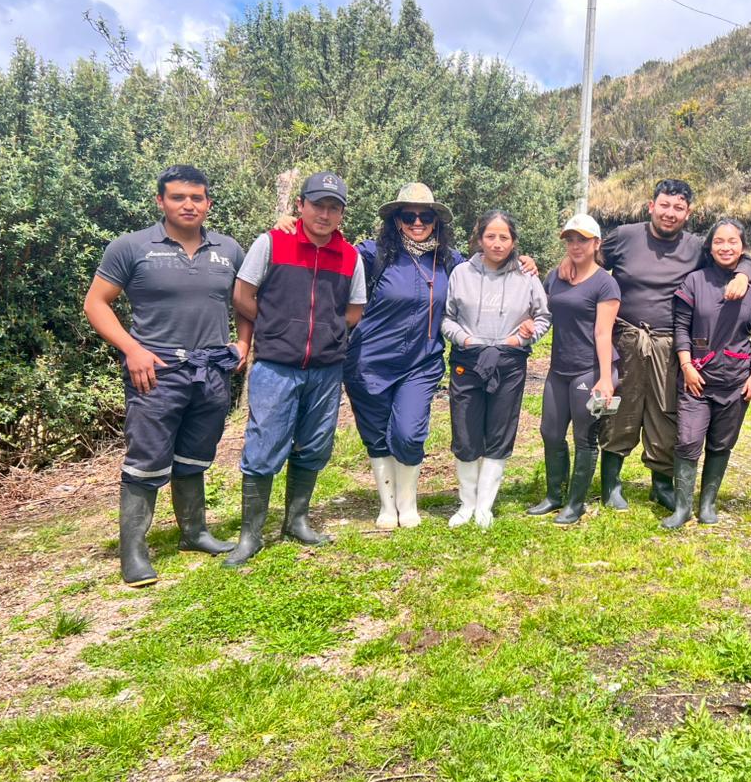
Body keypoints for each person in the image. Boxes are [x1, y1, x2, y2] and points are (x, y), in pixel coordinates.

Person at [83, 165, 251, 587]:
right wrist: (132, 349)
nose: (188, 205)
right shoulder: (132, 247)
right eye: (178, 197)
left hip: (212, 371)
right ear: (161, 201)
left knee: (195, 455)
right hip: (155, 372)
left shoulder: (228, 250)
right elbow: (96, 304)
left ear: (209, 203)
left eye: (197, 197)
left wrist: (244, 344)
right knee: (146, 460)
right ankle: (134, 554)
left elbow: (246, 302)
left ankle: (194, 534)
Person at [224, 172, 366, 567]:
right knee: (264, 445)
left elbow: (354, 310)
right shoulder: (271, 242)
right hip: (275, 366)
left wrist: (327, 332)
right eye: (317, 204)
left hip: (325, 369)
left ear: (341, 214)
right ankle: (250, 535)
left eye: (333, 207)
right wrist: (277, 326)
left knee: (313, 444)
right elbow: (243, 294)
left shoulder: (350, 256)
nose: (324, 214)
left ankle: (296, 521)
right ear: (300, 205)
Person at [595, 179, 751, 512]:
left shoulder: (697, 246)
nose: (670, 213)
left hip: (671, 345)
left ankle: (661, 484)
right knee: (618, 409)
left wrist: (744, 275)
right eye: (664, 205)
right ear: (651, 206)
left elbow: (740, 256)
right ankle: (610, 484)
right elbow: (591, 263)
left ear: (688, 212)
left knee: (667, 414)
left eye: (678, 208)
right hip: (624, 338)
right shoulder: (625, 236)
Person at [344, 183, 465, 529]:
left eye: (425, 216)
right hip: (369, 362)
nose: (417, 222)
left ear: (436, 221)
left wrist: (524, 262)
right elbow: (331, 258)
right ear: (396, 220)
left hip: (421, 363)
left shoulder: (450, 261)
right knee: (377, 435)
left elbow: (490, 267)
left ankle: (408, 502)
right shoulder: (372, 254)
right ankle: (387, 505)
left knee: (409, 433)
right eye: (408, 215)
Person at [441, 211, 550, 528]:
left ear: (513, 241)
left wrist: (523, 338)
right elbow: (447, 318)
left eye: (504, 237)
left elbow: (543, 317)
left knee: (499, 434)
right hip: (468, 360)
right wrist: (465, 338)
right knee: (465, 434)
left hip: (508, 361)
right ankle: (466, 504)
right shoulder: (461, 273)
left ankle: (485, 506)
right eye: (491, 236)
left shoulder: (526, 276)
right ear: (479, 238)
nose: (497, 243)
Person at [665, 219, 751, 529]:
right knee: (688, 441)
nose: (725, 247)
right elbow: (681, 327)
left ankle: (708, 504)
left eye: (732, 242)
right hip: (696, 380)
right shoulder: (695, 281)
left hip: (736, 381)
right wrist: (686, 365)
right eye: (719, 242)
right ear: (709, 247)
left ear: (742, 247)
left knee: (721, 443)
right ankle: (682, 507)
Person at [528, 213, 620, 524]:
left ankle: (575, 503)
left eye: (582, 239)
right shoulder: (556, 276)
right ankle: (555, 495)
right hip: (559, 368)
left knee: (584, 437)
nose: (575, 245)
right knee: (550, 433)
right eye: (570, 239)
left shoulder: (606, 283)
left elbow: (603, 333)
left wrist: (606, 379)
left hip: (590, 370)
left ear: (597, 243)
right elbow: (540, 307)